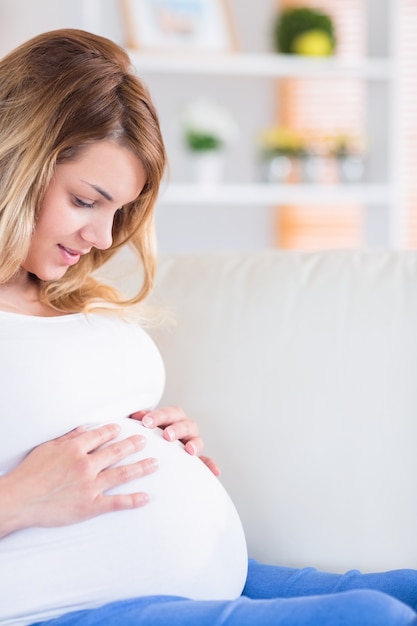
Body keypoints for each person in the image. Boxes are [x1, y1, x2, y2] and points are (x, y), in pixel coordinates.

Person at [0, 28, 416, 626]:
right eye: (86, 201)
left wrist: (155, 433)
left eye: (118, 213)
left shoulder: (64, 295)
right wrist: (17, 498)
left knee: (408, 594)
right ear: (17, 162)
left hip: (205, 580)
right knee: (374, 618)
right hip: (60, 609)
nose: (101, 238)